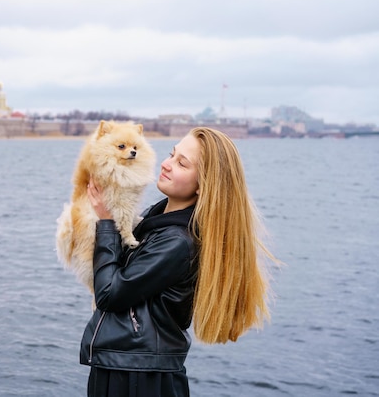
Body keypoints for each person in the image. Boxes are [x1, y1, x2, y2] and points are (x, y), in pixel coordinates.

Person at [80, 127, 276, 397]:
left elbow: (110, 293)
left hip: (139, 377)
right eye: (172, 154)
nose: (166, 164)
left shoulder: (177, 242)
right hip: (127, 366)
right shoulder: (156, 219)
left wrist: (106, 222)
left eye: (182, 163)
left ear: (203, 185)